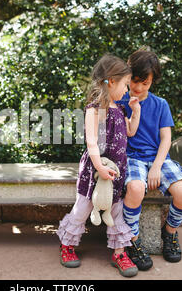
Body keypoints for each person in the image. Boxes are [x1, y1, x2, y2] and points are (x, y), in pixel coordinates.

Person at [56, 53, 141, 277]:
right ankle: (67, 246)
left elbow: (131, 132)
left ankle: (119, 252)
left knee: (117, 211)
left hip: (115, 171)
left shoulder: (121, 110)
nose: (127, 89)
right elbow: (92, 142)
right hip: (94, 172)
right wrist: (99, 168)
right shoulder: (95, 109)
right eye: (124, 84)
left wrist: (137, 111)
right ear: (111, 81)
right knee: (83, 209)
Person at [117, 47, 182, 271]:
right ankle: (132, 240)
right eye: (134, 81)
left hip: (158, 158)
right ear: (127, 76)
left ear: (153, 81)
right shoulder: (120, 101)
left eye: (145, 83)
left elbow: (166, 139)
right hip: (131, 158)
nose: (138, 88)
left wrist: (157, 166)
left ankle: (169, 232)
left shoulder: (161, 105)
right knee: (136, 189)